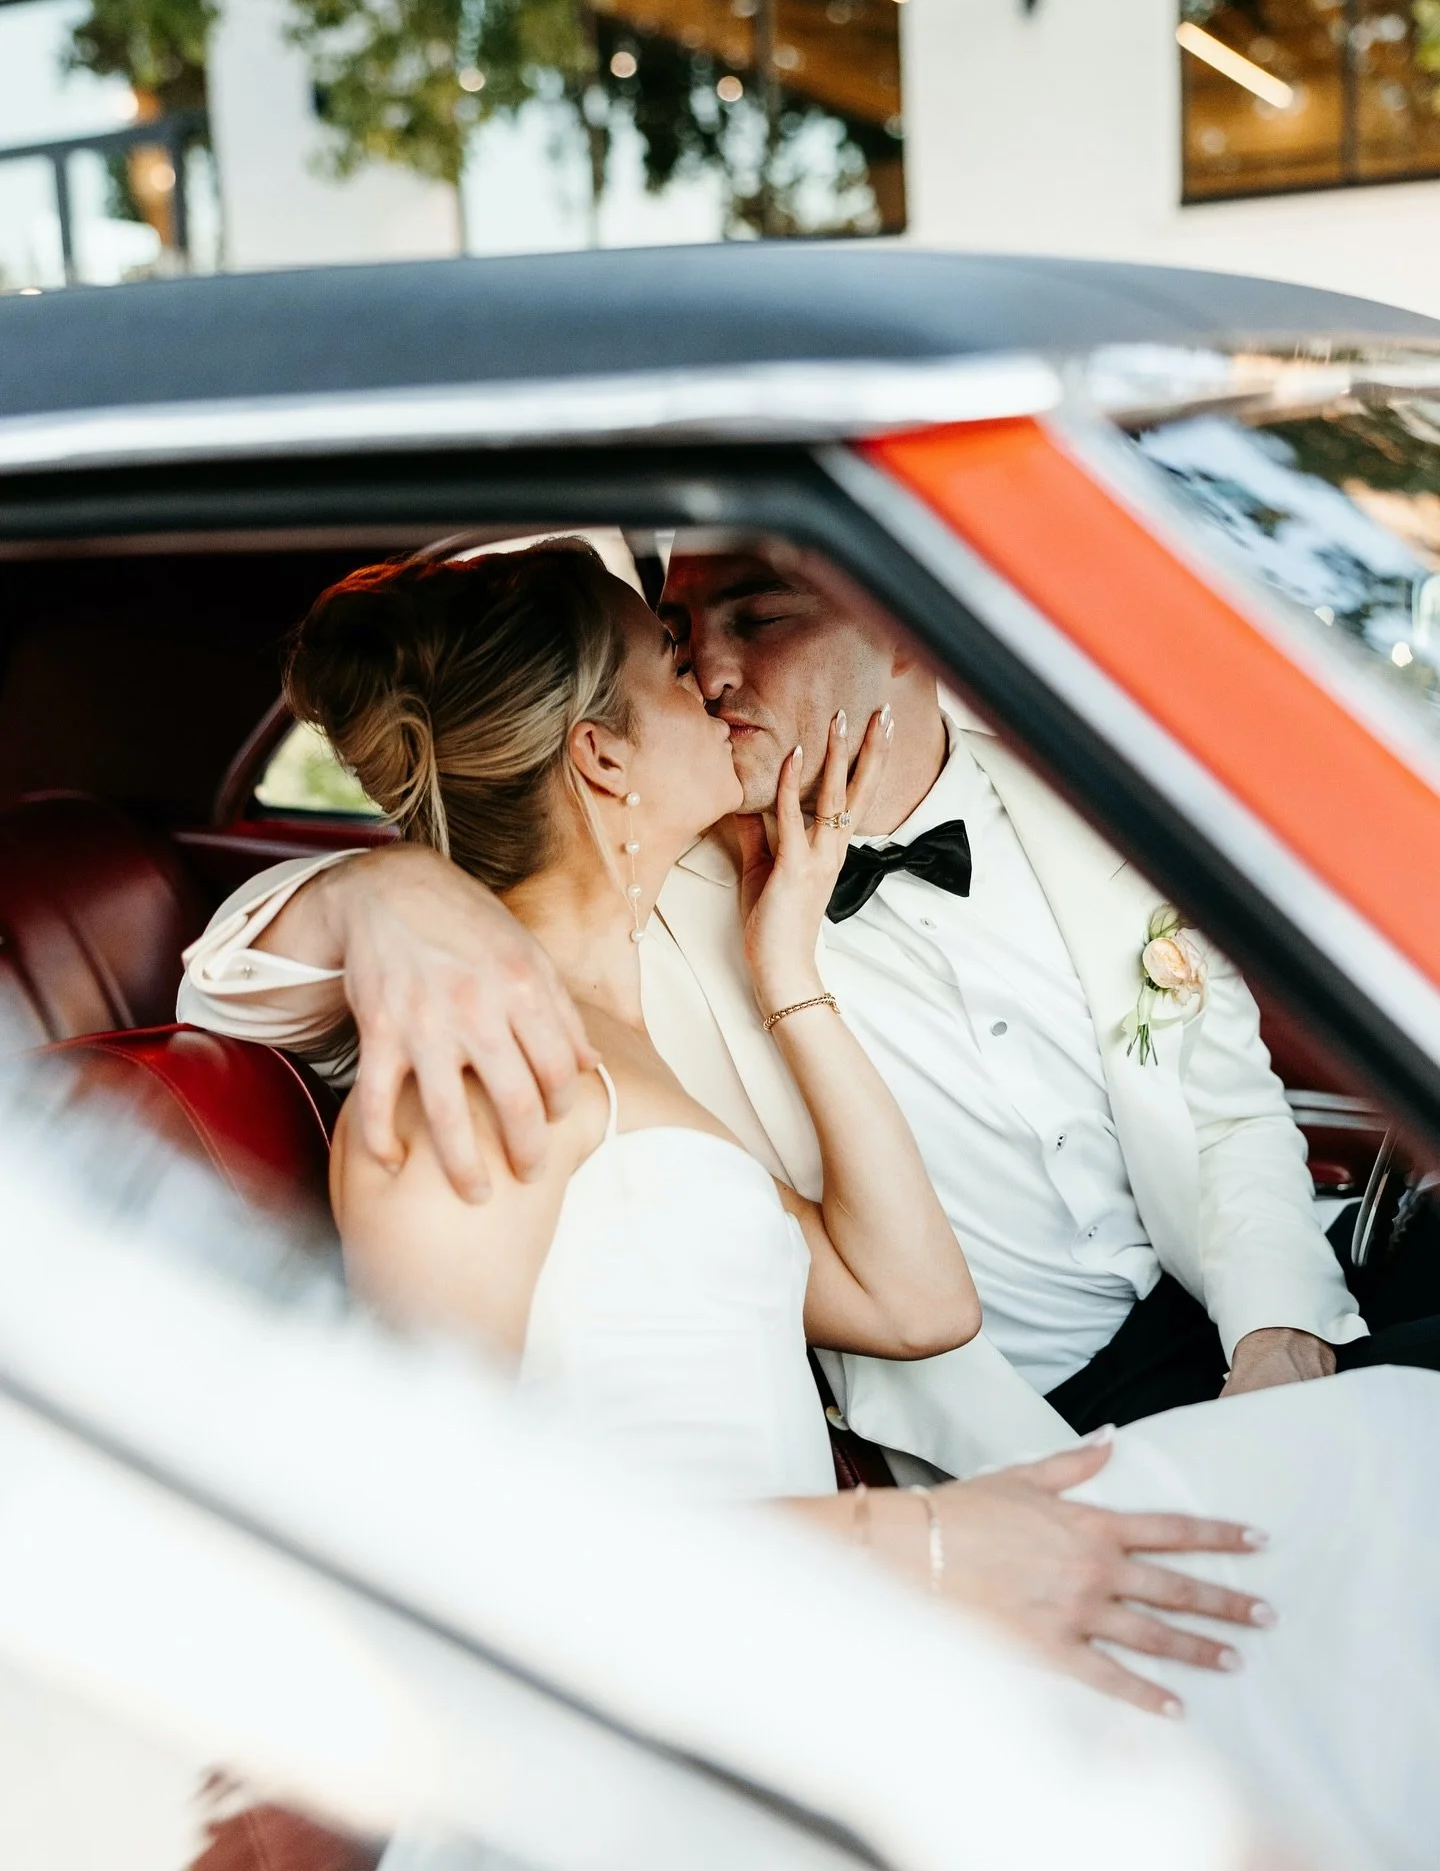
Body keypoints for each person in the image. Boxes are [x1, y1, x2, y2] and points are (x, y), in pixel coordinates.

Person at [190, 538, 1440, 1870]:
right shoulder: (478, 1064)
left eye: (749, 624)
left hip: (833, 1598)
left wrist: (791, 968)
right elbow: (443, 1534)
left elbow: (919, 1298)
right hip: (740, 1665)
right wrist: (379, 887)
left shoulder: (1051, 795)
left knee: (1391, 1461)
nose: (712, 679)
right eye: (673, 653)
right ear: (602, 757)